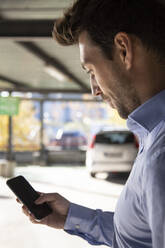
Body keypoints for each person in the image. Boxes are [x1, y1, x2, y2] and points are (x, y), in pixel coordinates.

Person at [19, 0, 165, 247]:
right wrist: (71, 217)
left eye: (91, 70)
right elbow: (136, 238)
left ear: (123, 50)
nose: (94, 89)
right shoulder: (153, 137)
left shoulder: (160, 156)